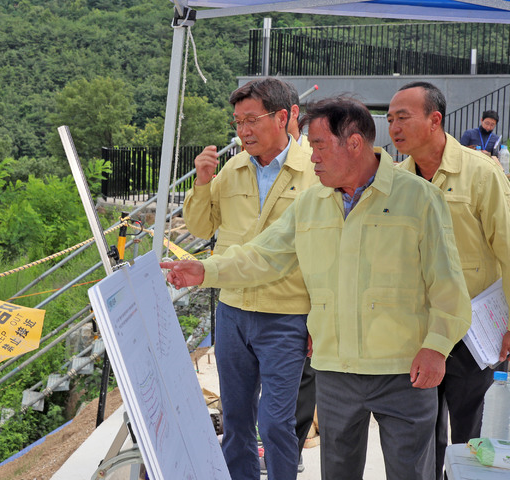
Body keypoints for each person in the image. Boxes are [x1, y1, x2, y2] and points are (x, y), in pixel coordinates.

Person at [163, 96, 472, 480]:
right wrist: (204, 271)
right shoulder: (311, 203)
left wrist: (437, 347)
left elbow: (449, 286)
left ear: (355, 143)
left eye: (321, 146)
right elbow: (264, 256)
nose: (312, 158)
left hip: (404, 372)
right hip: (335, 371)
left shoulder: (419, 199)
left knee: (410, 473)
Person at [182, 78, 317, 479]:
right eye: (237, 122)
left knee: (277, 423)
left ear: (282, 117)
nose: (242, 131)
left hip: (287, 313)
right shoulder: (234, 168)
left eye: (251, 120)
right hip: (234, 311)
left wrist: (319, 316)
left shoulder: (313, 169)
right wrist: (202, 181)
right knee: (236, 419)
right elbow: (201, 225)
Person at [388, 81, 510, 480]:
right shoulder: (393, 180)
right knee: (419, 430)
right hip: (416, 328)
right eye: (389, 120)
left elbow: (508, 249)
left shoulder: (481, 173)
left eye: (402, 117)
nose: (393, 128)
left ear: (435, 119)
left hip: (472, 328)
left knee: (469, 432)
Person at [285, 81, 316, 474]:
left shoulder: (313, 162)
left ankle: (290, 450)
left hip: (307, 289)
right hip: (262, 288)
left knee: (305, 377)